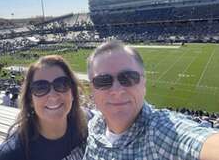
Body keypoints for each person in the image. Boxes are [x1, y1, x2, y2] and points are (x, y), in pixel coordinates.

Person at [84, 40, 219, 160]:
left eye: (129, 77)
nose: (117, 91)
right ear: (92, 89)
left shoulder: (161, 132)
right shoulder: (95, 126)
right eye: (102, 81)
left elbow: (197, 141)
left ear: (144, 83)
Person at [0, 55, 88, 160]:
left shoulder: (89, 123)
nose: (53, 95)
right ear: (30, 100)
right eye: (40, 88)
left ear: (72, 92)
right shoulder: (10, 155)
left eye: (61, 84)